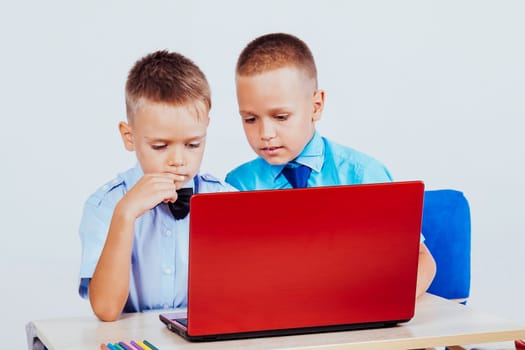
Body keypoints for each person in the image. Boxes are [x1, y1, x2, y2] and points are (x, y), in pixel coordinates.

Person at [225, 33, 436, 298]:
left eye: (280, 117)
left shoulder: (364, 176)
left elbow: (420, 258)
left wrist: (386, 305)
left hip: (358, 319)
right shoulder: (236, 186)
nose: (265, 133)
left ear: (316, 106)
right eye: (250, 119)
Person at [78, 50, 236, 321]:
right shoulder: (104, 205)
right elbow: (105, 309)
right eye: (160, 146)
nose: (178, 160)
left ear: (206, 128)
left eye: (193, 144)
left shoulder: (227, 201)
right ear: (130, 137)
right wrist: (125, 215)